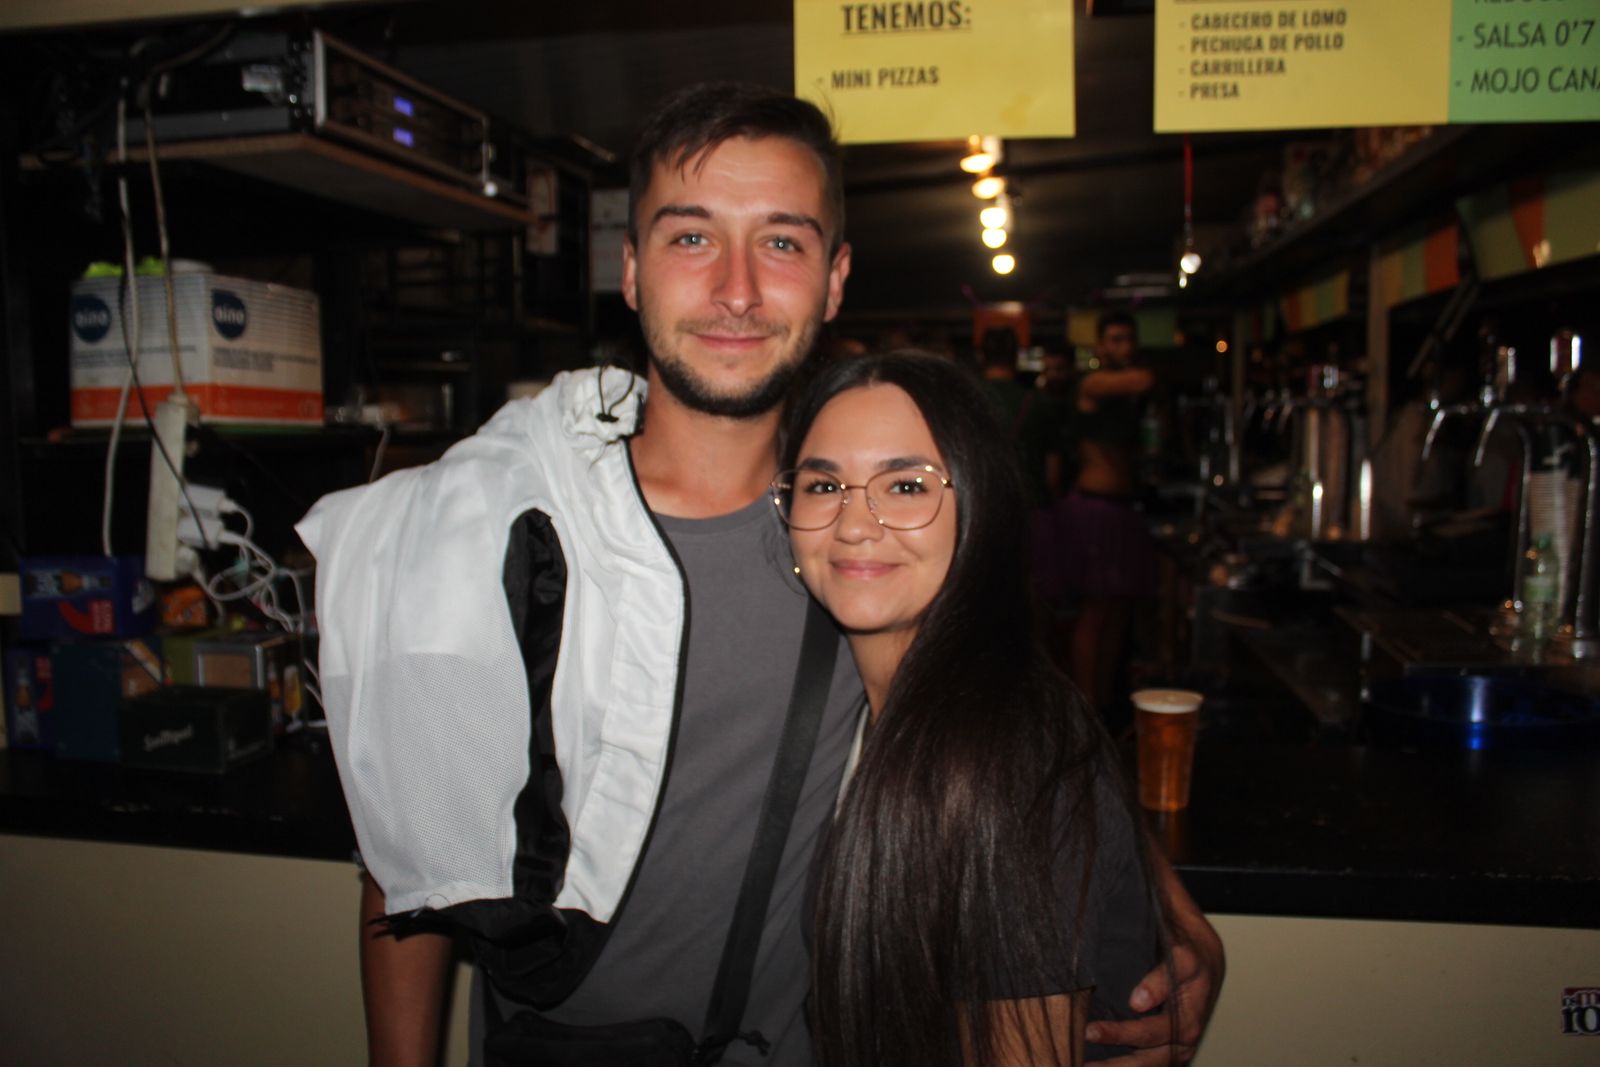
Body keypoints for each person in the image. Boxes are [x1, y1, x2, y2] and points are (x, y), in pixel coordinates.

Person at [298, 83, 1220, 1066]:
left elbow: (991, 720)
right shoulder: (501, 527)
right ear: (632, 269)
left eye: (780, 242)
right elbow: (406, 848)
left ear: (834, 277)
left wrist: (1154, 901)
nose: (736, 289)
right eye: (691, 238)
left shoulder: (858, 536)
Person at [774, 352, 1194, 1065]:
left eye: (905, 485)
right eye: (824, 484)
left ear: (981, 507)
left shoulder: (1005, 762)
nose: (853, 523)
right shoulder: (864, 697)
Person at [1052, 312, 1158, 721]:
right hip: (1093, 508)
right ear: (1099, 346)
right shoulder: (1092, 384)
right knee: (1095, 610)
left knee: (1118, 610)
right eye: (1114, 339)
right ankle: (1086, 703)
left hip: (1122, 507)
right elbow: (1143, 379)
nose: (1124, 347)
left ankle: (1105, 701)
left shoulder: (1124, 395)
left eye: (1128, 339)